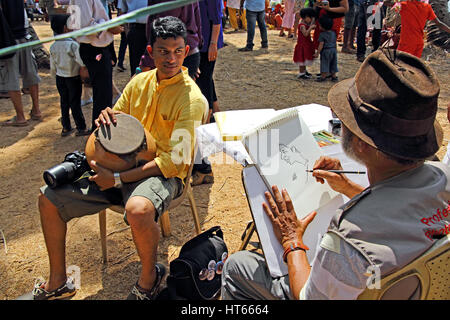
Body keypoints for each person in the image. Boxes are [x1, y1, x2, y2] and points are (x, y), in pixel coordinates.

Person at [221, 49, 450, 300]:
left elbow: (309, 297)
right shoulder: (442, 178)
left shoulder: (350, 240)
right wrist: (350, 188)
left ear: (362, 144)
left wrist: (292, 241)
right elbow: (401, 212)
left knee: (237, 266)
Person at [33, 16, 207, 300]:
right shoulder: (139, 82)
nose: (171, 58)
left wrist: (116, 178)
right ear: (150, 51)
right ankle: (58, 282)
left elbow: (173, 163)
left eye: (177, 51)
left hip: (161, 175)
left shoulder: (193, 99)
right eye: (163, 51)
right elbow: (117, 118)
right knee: (48, 199)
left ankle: (150, 277)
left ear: (186, 52)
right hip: (114, 170)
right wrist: (106, 115)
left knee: (138, 209)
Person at [68, 0, 123, 131]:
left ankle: (99, 130)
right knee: (103, 96)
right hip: (95, 49)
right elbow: (87, 27)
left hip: (96, 48)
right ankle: (99, 131)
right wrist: (110, 26)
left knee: (102, 93)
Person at [191, 0, 225, 186]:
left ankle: (204, 162)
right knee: (206, 80)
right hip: (196, 45)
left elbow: (216, 19)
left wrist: (212, 43)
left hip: (205, 45)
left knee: (203, 86)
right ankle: (216, 115)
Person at [0, 0, 42, 127]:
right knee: (30, 72)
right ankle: (36, 110)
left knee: (10, 77)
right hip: (24, 34)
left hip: (8, 38)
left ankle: (20, 116)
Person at [140, 0, 203, 80]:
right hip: (188, 53)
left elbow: (164, 34)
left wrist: (144, 66)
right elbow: (198, 22)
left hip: (173, 57)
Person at [49, 14, 90, 137]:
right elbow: (80, 61)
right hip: (73, 77)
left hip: (60, 78)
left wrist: (54, 76)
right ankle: (81, 127)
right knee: (75, 103)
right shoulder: (73, 45)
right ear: (65, 28)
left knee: (64, 102)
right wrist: (85, 69)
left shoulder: (53, 46)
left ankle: (66, 128)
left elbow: (52, 65)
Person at [384, 0, 450, 59]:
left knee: (401, 65)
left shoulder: (404, 5)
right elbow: (439, 23)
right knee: (414, 66)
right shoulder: (427, 7)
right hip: (419, 44)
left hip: (406, 42)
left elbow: (386, 2)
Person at [117, 0, 149, 76]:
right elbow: (122, 11)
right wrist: (127, 32)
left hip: (155, 28)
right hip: (136, 29)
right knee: (136, 64)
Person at [293, 7, 316, 79]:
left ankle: (304, 71)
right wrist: (310, 28)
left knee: (304, 58)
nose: (311, 20)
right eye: (310, 18)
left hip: (306, 44)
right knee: (301, 59)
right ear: (306, 17)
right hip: (302, 45)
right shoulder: (302, 25)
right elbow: (305, 33)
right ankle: (301, 73)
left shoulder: (305, 24)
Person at [314, 15, 338, 82]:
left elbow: (321, 44)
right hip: (333, 50)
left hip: (326, 51)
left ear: (323, 27)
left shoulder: (322, 35)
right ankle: (334, 76)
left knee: (324, 63)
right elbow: (335, 42)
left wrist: (317, 53)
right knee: (333, 63)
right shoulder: (333, 33)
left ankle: (323, 76)